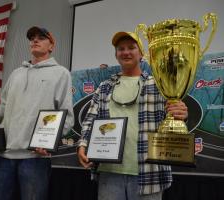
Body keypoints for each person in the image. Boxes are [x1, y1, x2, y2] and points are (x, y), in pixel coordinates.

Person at [77, 31, 188, 200]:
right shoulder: (105, 86)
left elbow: (173, 117)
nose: (126, 52)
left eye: (131, 47)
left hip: (148, 172)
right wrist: (82, 145)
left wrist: (180, 113)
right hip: (109, 171)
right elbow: (90, 120)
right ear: (116, 55)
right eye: (120, 49)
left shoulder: (158, 84)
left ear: (141, 54)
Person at [0, 26, 74, 200]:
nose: (35, 40)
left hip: (35, 158)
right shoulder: (15, 74)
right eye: (32, 38)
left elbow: (67, 118)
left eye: (41, 37)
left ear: (51, 46)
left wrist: (51, 142)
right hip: (3, 156)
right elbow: (1, 113)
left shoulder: (61, 74)